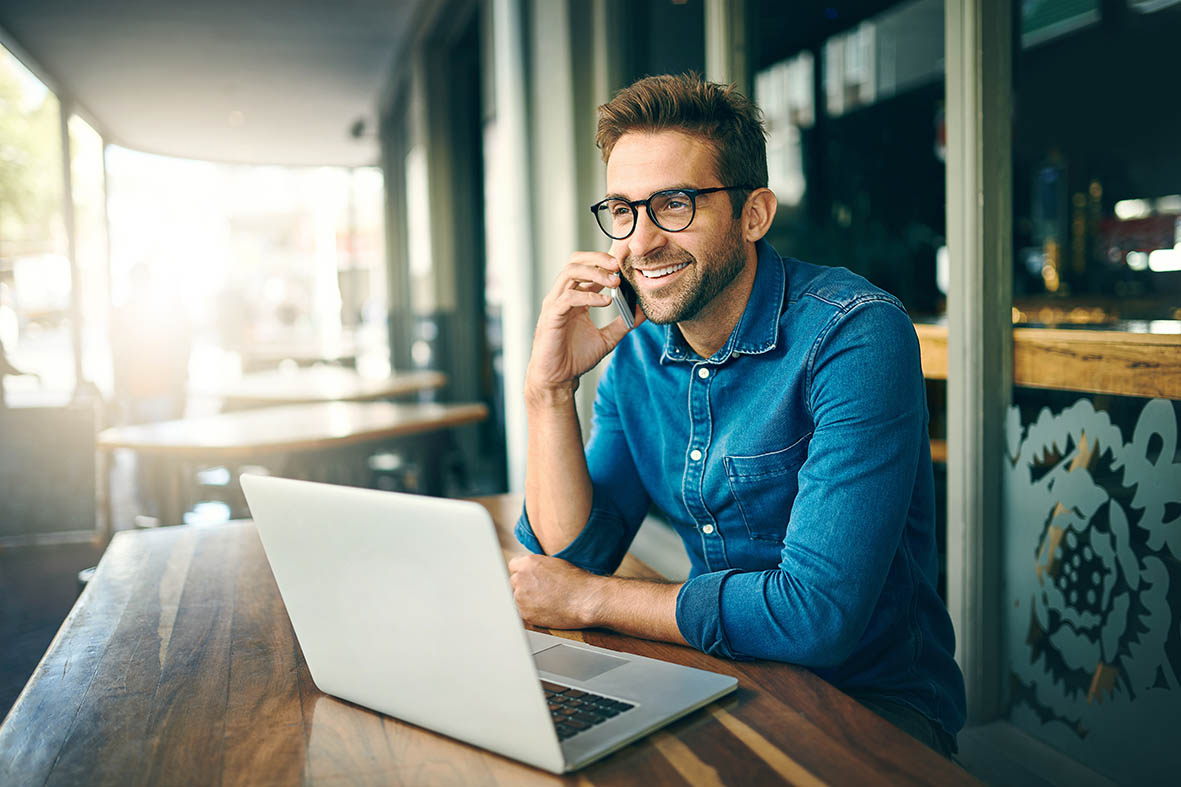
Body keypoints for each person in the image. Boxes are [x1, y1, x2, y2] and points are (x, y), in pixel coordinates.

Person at [508, 73, 966, 757]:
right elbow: (570, 558)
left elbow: (815, 616)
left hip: (871, 707)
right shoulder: (637, 352)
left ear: (753, 214)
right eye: (623, 211)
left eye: (674, 204)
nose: (640, 242)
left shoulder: (854, 334)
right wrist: (547, 392)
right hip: (721, 674)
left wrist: (591, 600)